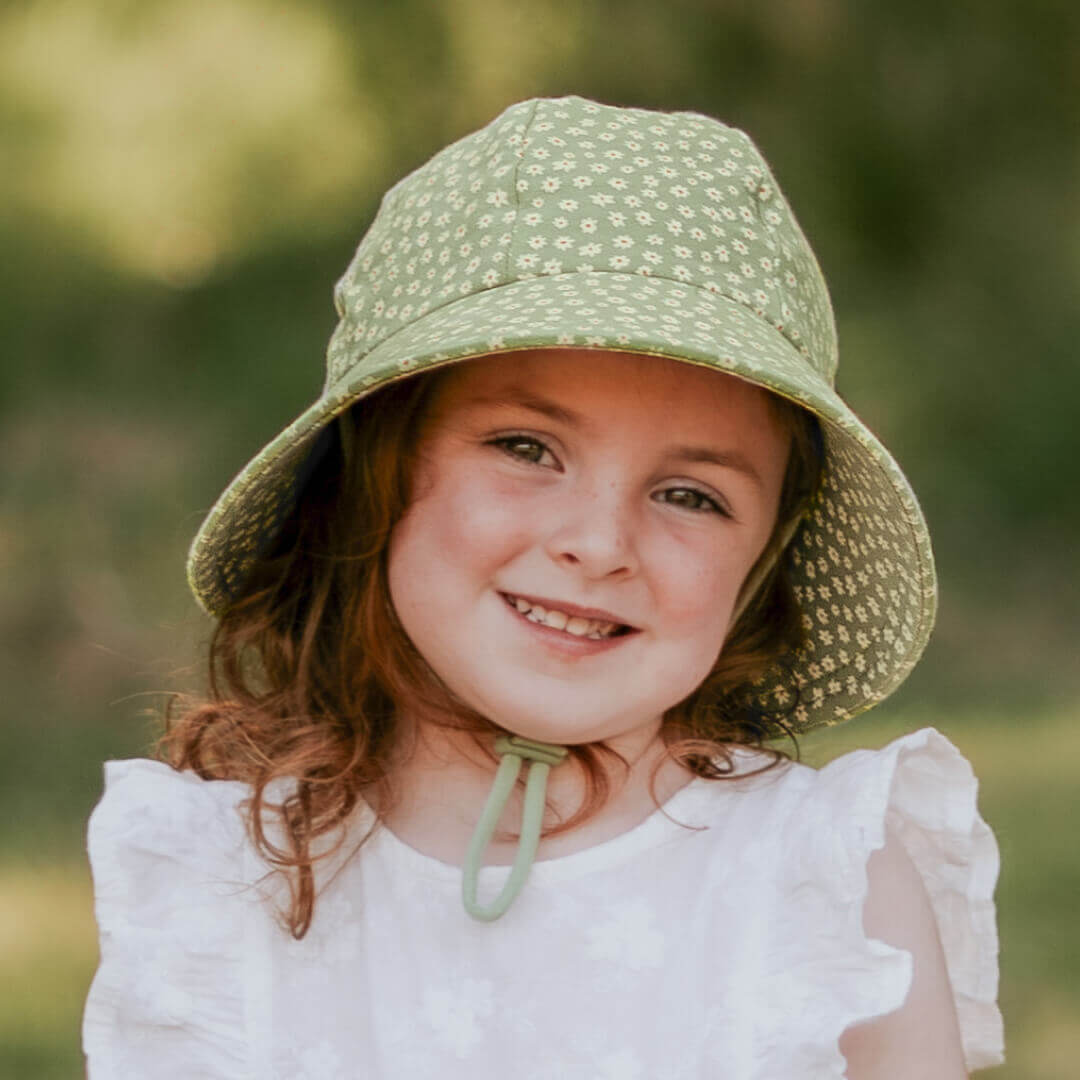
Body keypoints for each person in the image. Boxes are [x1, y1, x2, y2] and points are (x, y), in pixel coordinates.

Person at [82, 96, 1004, 1078]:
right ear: (375, 472)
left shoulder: (823, 878)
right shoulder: (227, 881)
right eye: (526, 448)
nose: (600, 542)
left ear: (764, 559)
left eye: (692, 495)